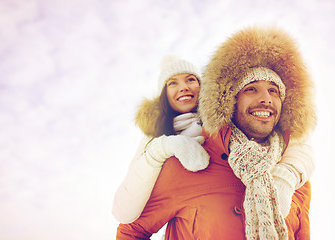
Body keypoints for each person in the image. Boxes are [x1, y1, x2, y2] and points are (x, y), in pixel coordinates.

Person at [115, 26, 316, 240]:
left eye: (274, 91)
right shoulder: (184, 165)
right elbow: (131, 231)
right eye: (251, 89)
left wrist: (286, 177)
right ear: (230, 100)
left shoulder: (295, 178)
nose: (266, 98)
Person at [112, 56, 210, 223]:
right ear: (164, 94)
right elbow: (122, 211)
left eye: (191, 80)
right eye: (173, 83)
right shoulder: (153, 137)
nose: (184, 88)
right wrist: (162, 148)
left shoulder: (222, 126)